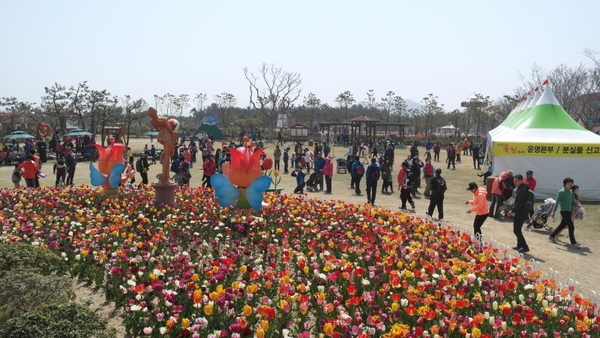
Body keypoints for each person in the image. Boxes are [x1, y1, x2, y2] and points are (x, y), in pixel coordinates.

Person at [148, 107, 179, 184]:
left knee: (166, 154)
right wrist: (173, 135)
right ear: (156, 112)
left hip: (160, 136)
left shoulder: (152, 121)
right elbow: (170, 130)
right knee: (167, 157)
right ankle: (166, 177)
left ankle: (165, 174)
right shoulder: (163, 119)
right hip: (166, 136)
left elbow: (157, 129)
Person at [548, 177, 580, 249]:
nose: (571, 184)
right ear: (565, 184)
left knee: (562, 225)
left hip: (569, 211)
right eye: (569, 183)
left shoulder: (571, 192)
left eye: (572, 183)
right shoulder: (561, 192)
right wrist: (553, 212)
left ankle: (552, 236)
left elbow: (571, 202)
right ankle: (573, 243)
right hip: (564, 212)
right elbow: (557, 203)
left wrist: (575, 204)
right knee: (571, 226)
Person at [506, 174, 530, 253]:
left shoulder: (522, 190)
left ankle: (525, 246)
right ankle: (519, 245)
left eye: (516, 181)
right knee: (517, 230)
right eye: (514, 181)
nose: (515, 183)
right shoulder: (521, 188)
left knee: (517, 230)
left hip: (521, 212)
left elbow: (519, 203)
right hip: (521, 212)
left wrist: (512, 211)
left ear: (521, 180)